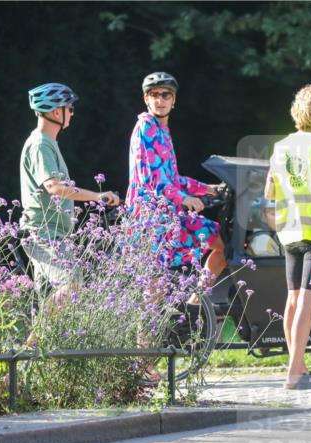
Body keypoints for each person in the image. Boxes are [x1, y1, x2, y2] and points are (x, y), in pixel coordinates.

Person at [264, 83, 311, 390]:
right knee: (306, 306)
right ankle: (294, 373)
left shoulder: (280, 146)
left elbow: (269, 193)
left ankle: (298, 366)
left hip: (289, 233)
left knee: (293, 301)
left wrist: (275, 221)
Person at [20, 82, 119, 291]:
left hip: (53, 231)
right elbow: (54, 187)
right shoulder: (41, 144)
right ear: (57, 112)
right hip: (45, 232)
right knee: (72, 283)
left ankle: (44, 325)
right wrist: (96, 195)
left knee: (49, 299)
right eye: (70, 108)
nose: (72, 114)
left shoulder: (48, 142)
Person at [126, 72, 226, 279]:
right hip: (150, 215)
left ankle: (196, 302)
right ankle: (152, 312)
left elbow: (172, 178)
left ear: (174, 100)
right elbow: (154, 180)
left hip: (171, 210)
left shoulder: (162, 130)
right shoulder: (146, 126)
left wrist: (208, 188)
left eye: (166, 95)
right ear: (146, 99)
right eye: (154, 94)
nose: (160, 100)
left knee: (222, 244)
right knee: (156, 281)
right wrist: (185, 198)